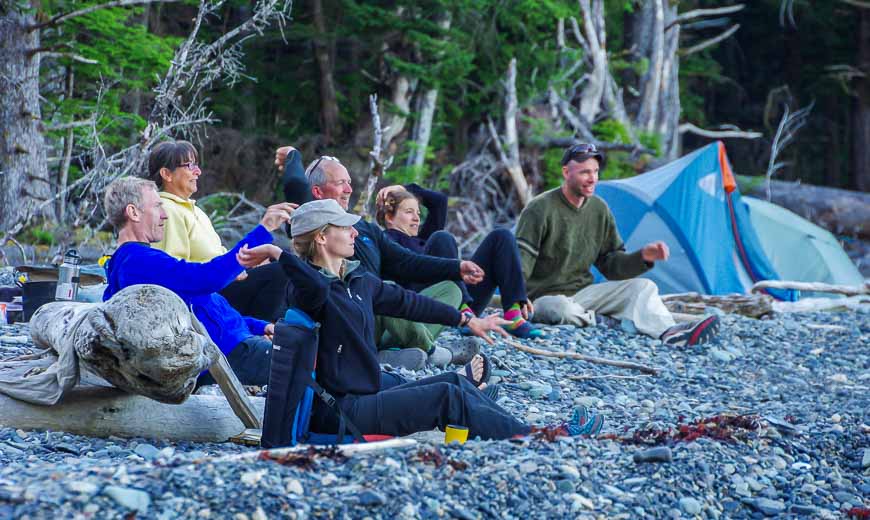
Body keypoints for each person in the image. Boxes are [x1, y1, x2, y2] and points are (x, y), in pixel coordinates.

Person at [237, 198, 604, 440]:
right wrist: (278, 251)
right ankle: (539, 437)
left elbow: (408, 303)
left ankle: (517, 430)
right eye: (345, 228)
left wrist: (464, 320)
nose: (354, 233)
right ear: (321, 237)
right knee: (446, 396)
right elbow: (309, 282)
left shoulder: (357, 281)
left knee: (454, 383)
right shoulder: (311, 290)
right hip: (339, 411)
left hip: (367, 392)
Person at [277, 148, 487, 369]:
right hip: (348, 322)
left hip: (377, 309)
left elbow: (408, 262)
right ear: (317, 192)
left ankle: (392, 351)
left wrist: (456, 267)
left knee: (449, 290)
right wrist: (293, 155)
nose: (349, 189)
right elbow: (296, 186)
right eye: (341, 183)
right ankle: (432, 352)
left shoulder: (364, 229)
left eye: (349, 182)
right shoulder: (308, 223)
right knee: (384, 291)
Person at [515, 143, 720, 346]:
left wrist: (643, 257)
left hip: (584, 295)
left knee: (644, 287)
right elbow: (520, 263)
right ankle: (602, 320)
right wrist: (516, 302)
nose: (593, 178)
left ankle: (668, 332)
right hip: (542, 298)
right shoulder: (540, 208)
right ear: (566, 172)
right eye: (585, 172)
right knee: (557, 309)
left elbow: (612, 265)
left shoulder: (599, 209)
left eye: (595, 171)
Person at [100, 176, 294, 385]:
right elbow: (208, 277)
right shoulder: (137, 262)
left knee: (306, 354)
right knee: (306, 364)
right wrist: (262, 231)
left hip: (233, 347)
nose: (164, 215)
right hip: (224, 358)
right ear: (133, 212)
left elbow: (202, 311)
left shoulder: (137, 260)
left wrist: (259, 326)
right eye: (157, 206)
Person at [148, 139, 290, 322]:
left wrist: (247, 264)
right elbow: (174, 271)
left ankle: (266, 332)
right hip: (206, 296)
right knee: (280, 272)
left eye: (196, 164)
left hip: (222, 283)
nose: (197, 172)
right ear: (167, 174)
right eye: (189, 165)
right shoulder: (167, 210)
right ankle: (260, 335)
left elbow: (221, 256)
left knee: (284, 262)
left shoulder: (194, 211)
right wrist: (264, 230)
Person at [375, 184, 543, 339]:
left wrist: (406, 188)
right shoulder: (385, 241)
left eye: (418, 213)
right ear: (389, 217)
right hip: (428, 303)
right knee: (443, 237)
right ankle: (464, 312)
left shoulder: (424, 239)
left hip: (465, 302)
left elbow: (439, 202)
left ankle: (513, 315)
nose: (416, 218)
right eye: (409, 212)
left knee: (502, 236)